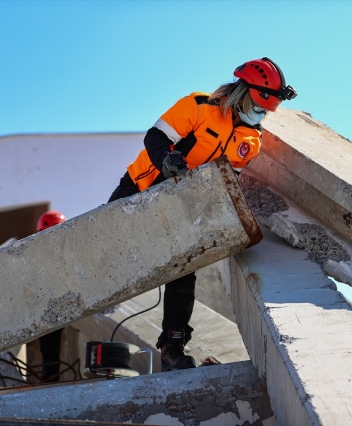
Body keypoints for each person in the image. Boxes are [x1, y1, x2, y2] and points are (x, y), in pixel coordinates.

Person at [107, 57, 296, 372]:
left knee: (185, 271)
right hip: (139, 190)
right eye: (259, 106)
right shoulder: (198, 106)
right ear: (242, 92)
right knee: (102, 246)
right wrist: (168, 160)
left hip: (184, 209)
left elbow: (226, 182)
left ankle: (173, 346)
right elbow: (155, 138)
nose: (260, 114)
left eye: (266, 110)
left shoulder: (251, 140)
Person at [35, 210, 67, 382]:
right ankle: (50, 376)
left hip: (54, 305)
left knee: (51, 349)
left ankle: (50, 375)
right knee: (49, 349)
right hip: (47, 306)